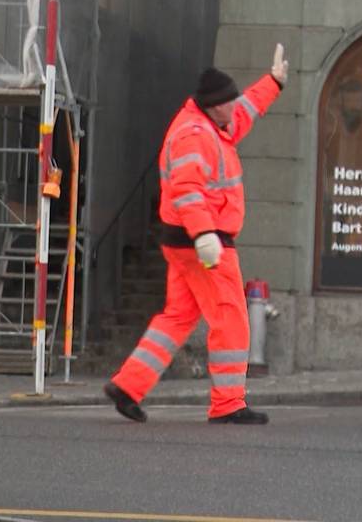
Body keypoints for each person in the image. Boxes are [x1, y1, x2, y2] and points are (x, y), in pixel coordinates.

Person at [103, 44, 288, 425]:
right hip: (205, 243)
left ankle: (128, 385)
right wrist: (206, 236)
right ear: (213, 104)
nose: (235, 106)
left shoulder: (212, 124)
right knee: (231, 317)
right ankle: (228, 404)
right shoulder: (194, 135)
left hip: (187, 242)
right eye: (229, 101)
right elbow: (188, 192)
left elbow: (246, 111)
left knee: (177, 317)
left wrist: (274, 82)